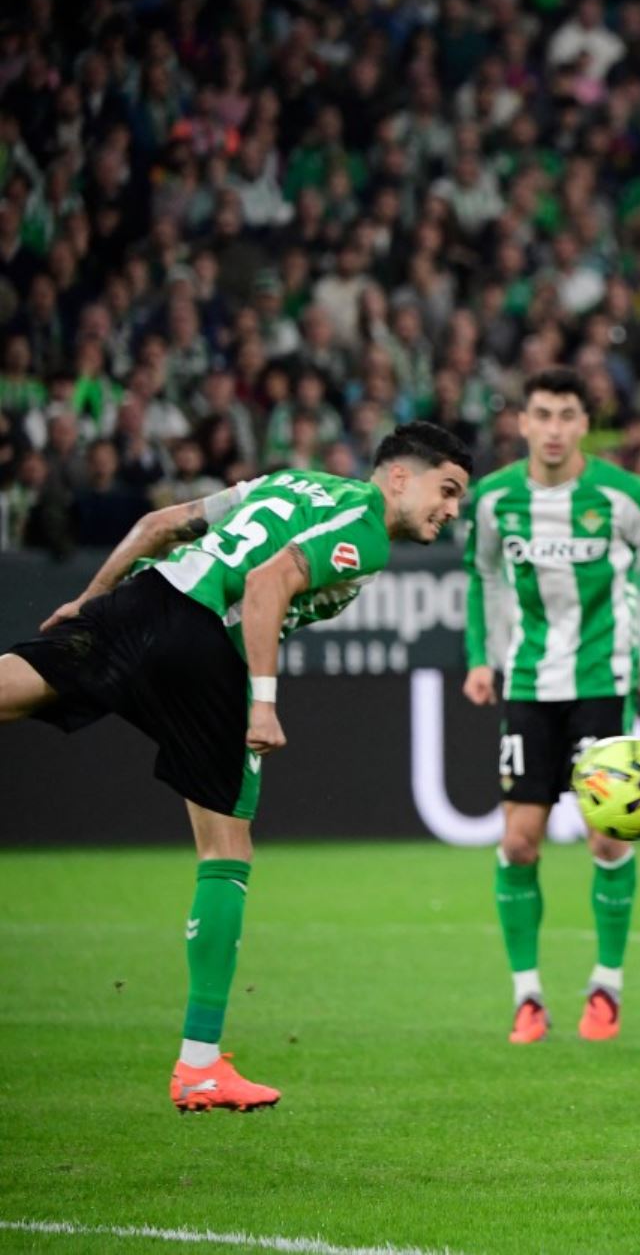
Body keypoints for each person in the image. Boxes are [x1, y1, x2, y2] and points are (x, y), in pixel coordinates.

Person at [0, 423, 472, 1111]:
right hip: (203, 650)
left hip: (144, 600)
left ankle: (203, 1065)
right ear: (399, 476)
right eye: (448, 489)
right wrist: (263, 703)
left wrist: (92, 601)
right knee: (227, 849)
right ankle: (198, 1066)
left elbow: (162, 524)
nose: (452, 509)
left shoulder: (287, 482)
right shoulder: (365, 532)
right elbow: (265, 584)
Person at [462, 368, 640, 1045]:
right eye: (543, 414)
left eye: (568, 414)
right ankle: (527, 997)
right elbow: (479, 576)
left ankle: (607, 987)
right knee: (518, 841)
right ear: (523, 423)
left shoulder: (623, 496)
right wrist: (479, 657)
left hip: (603, 679)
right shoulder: (493, 499)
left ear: (584, 425)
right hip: (530, 683)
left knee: (605, 835)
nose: (556, 428)